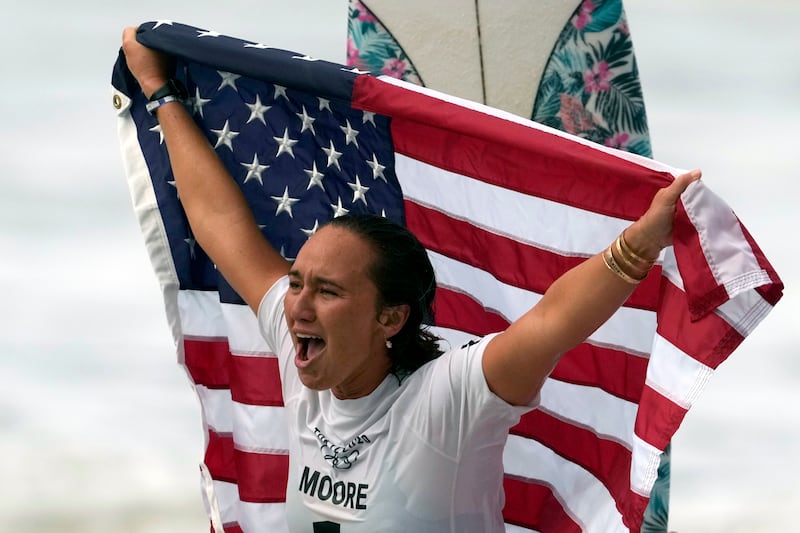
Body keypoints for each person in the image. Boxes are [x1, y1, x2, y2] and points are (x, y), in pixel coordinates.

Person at [121, 27, 701, 532]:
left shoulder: (449, 399)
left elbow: (553, 320)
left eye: (328, 291)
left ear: (390, 317)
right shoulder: (302, 349)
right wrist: (161, 93)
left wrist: (642, 243)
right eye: (298, 282)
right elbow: (224, 228)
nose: (297, 303)